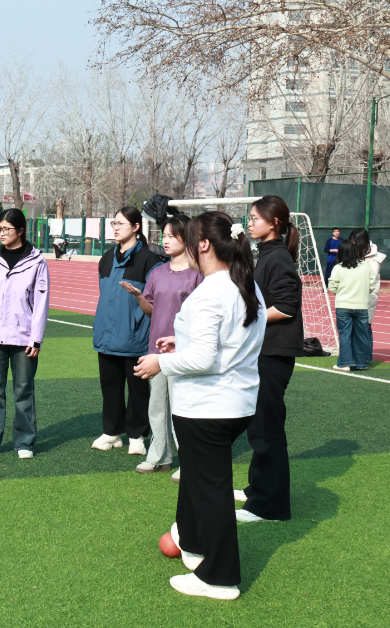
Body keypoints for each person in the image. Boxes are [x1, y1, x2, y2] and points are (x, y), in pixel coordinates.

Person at [134, 211, 266, 601]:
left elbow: (206, 358)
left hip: (208, 408)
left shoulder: (211, 291)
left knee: (211, 490)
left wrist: (162, 362)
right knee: (195, 478)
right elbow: (230, 341)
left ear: (203, 245)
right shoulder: (245, 285)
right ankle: (190, 541)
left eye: (188, 238)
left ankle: (220, 577)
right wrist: (183, 342)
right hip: (235, 403)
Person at [238, 196, 304, 523]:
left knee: (267, 430)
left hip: (274, 355)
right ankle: (257, 490)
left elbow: (287, 305)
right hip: (264, 352)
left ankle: (269, 507)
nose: (250, 223)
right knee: (260, 427)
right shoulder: (268, 254)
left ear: (274, 222)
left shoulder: (277, 257)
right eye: (249, 218)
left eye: (255, 218)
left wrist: (251, 318)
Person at [122, 215, 202, 478]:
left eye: (172, 236)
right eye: (164, 235)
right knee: (156, 406)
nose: (165, 241)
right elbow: (151, 311)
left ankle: (189, 461)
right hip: (156, 351)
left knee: (182, 408)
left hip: (184, 352)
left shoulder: (198, 275)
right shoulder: (157, 273)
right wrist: (138, 296)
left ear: (187, 238)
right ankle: (159, 457)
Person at [0, 209, 50, 459]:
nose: (2, 233)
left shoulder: (37, 261)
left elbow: (41, 303)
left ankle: (24, 442)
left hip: (24, 337)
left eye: (7, 229)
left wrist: (36, 339)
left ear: (21, 230)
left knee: (23, 390)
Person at [91, 207, 163, 455]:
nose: (116, 228)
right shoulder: (106, 258)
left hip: (135, 338)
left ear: (136, 227)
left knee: (137, 390)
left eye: (121, 223)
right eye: (114, 223)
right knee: (110, 387)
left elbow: (154, 302)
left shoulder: (149, 260)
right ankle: (112, 432)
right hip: (106, 336)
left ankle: (136, 434)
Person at [328, 239, 377, 372]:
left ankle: (344, 363)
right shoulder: (365, 266)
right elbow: (372, 284)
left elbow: (332, 286)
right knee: (361, 335)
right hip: (361, 305)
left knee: (345, 335)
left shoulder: (338, 267)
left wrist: (340, 292)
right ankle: (361, 363)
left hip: (343, 305)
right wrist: (363, 292)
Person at [349, 228, 385, 364]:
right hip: (354, 296)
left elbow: (369, 279)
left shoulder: (374, 259)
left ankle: (367, 357)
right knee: (355, 327)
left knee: (365, 327)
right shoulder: (356, 253)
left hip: (368, 297)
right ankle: (356, 355)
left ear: (361, 242)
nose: (352, 244)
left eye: (354, 242)